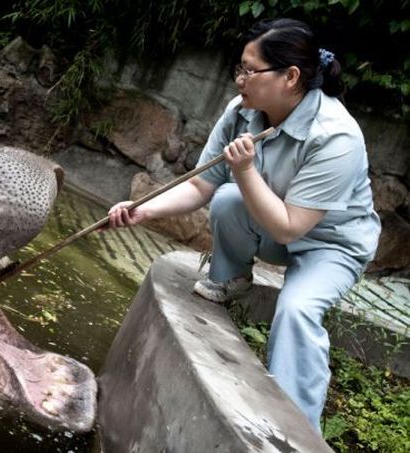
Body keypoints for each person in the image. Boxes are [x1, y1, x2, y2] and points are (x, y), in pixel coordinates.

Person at [107, 18, 381, 432]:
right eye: (239, 69)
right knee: (229, 198)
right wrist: (142, 210)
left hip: (331, 246)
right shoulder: (242, 112)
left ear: (290, 77)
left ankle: (295, 427)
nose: (239, 80)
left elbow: (290, 228)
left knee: (297, 310)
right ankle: (232, 276)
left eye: (249, 71)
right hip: (276, 225)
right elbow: (200, 185)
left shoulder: (336, 136)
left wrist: (247, 169)